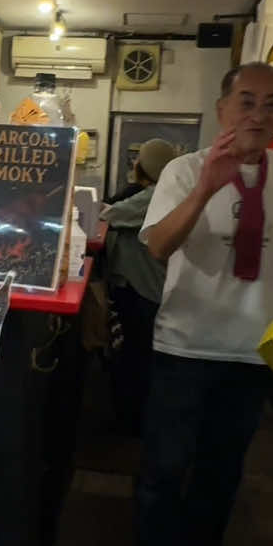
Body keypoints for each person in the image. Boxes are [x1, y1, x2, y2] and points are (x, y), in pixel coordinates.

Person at [126, 62, 273, 546]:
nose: (259, 115)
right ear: (222, 109)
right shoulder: (185, 172)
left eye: (272, 104)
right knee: (164, 468)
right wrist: (210, 184)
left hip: (250, 351)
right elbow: (158, 245)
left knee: (222, 470)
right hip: (186, 344)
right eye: (248, 102)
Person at [100, 140, 177, 431]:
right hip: (152, 286)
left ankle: (132, 421)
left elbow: (110, 215)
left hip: (142, 288)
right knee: (141, 355)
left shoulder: (153, 196)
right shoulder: (166, 193)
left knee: (135, 356)